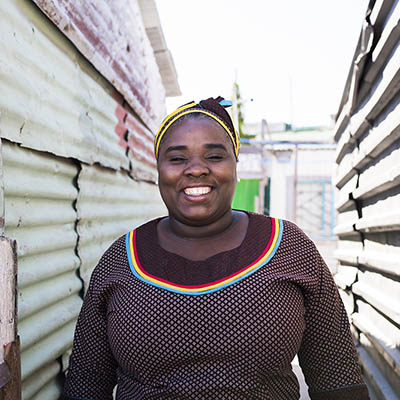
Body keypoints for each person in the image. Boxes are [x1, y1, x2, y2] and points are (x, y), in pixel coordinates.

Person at [62, 97, 370, 399]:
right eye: (178, 158)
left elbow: (337, 379)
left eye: (214, 156)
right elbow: (85, 386)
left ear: (236, 165)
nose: (196, 169)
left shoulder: (289, 248)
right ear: (159, 171)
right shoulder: (122, 259)